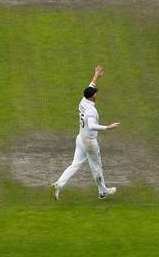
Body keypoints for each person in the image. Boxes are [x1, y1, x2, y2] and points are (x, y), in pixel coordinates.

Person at [51, 66, 119, 201]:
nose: (96, 94)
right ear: (92, 97)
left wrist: (96, 76)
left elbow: (90, 86)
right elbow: (92, 125)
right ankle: (103, 191)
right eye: (95, 93)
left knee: (75, 164)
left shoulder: (83, 100)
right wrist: (108, 127)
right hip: (89, 142)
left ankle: (59, 184)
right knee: (97, 168)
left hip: (80, 138)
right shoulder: (91, 111)